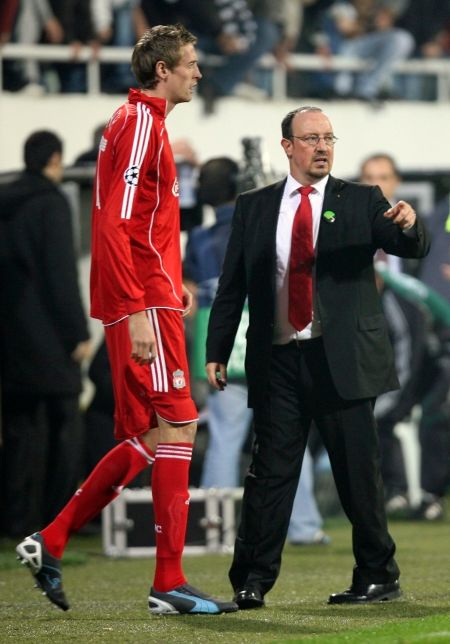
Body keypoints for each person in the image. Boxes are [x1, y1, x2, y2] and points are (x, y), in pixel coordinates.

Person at [16, 24, 237, 617]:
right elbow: (117, 223)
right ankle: (167, 581)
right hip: (141, 305)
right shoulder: (140, 125)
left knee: (151, 438)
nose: (197, 72)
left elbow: (143, 225)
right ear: (162, 71)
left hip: (150, 296)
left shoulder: (141, 125)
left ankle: (51, 539)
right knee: (180, 427)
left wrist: (171, 282)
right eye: (189, 63)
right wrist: (141, 305)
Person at [205, 105, 430, 608]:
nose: (323, 146)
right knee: (270, 476)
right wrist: (216, 348)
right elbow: (233, 285)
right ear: (287, 146)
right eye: (311, 138)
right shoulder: (255, 206)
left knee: (357, 473)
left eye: (329, 137)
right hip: (279, 361)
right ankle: (252, 581)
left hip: (342, 359)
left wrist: (410, 225)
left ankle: (378, 575)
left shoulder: (362, 200)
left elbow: (409, 245)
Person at [0, 130, 91, 538]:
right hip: (51, 341)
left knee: (19, 432)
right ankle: (55, 524)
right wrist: (78, 332)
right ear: (55, 159)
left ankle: (15, 521)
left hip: (11, 340)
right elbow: (60, 275)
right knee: (64, 430)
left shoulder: (6, 202)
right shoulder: (50, 203)